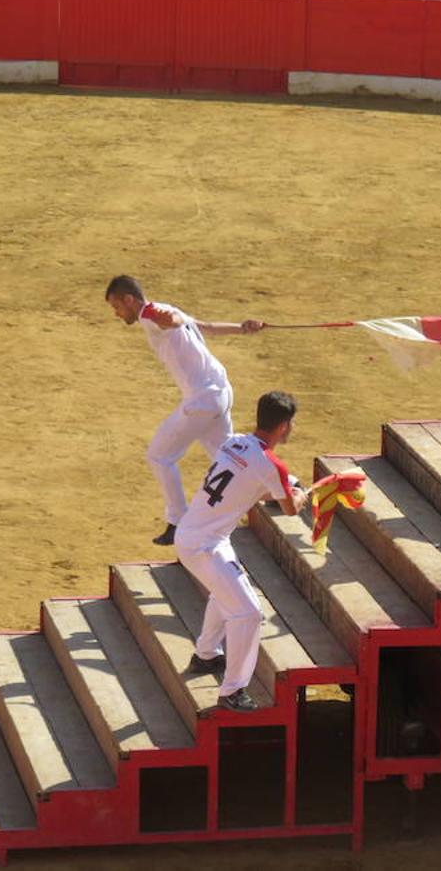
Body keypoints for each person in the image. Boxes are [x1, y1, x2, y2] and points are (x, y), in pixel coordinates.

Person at [105, 275, 265, 546]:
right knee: (226, 454)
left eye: (117, 307)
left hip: (202, 400)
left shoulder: (151, 314)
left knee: (159, 456)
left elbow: (173, 322)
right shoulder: (164, 308)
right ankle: (282, 487)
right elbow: (207, 327)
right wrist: (242, 327)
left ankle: (177, 520)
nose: (117, 314)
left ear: (129, 299)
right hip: (221, 390)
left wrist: (173, 321)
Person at [176, 390, 309, 712]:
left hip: (197, 536)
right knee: (248, 613)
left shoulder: (234, 442)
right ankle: (233, 692)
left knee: (225, 594)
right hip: (205, 545)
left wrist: (281, 490)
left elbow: (250, 489)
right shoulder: (271, 463)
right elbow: (290, 509)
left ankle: (206, 655)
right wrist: (302, 493)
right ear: (285, 426)